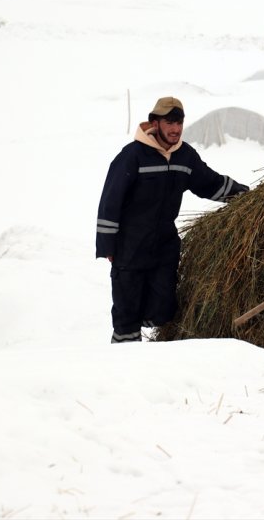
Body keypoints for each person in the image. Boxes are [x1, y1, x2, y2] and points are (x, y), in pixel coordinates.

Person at [96, 96, 249, 343]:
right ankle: (124, 366)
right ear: (155, 123)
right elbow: (110, 202)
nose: (176, 129)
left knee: (163, 309)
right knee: (127, 318)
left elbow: (209, 182)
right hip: (130, 248)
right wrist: (107, 246)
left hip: (163, 247)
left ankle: (152, 348)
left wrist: (246, 196)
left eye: (179, 122)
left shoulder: (184, 157)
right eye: (170, 122)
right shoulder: (132, 156)